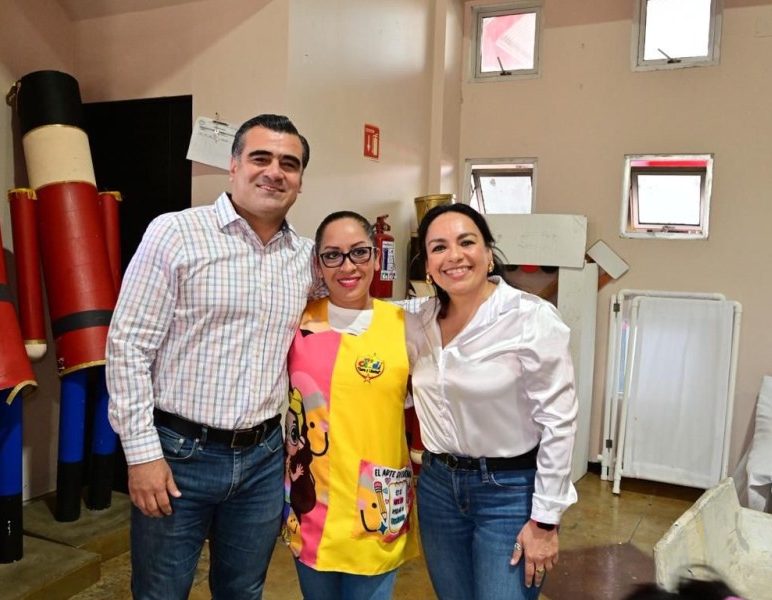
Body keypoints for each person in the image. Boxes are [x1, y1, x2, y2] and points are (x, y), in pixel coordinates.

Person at [106, 114, 317, 600]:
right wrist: (141, 455)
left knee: (243, 590)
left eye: (289, 164)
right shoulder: (176, 233)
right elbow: (128, 347)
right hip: (179, 455)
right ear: (234, 165)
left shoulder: (306, 259)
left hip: (264, 461)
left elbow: (357, 304)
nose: (274, 172)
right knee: (161, 592)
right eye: (260, 158)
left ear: (301, 180)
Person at [406, 203, 578, 600]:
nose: (454, 255)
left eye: (466, 242)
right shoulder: (418, 322)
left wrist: (545, 522)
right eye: (438, 247)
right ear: (427, 266)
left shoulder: (530, 317)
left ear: (488, 253)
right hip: (437, 487)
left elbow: (559, 423)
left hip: (509, 491)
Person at [282, 212, 417, 600]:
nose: (348, 266)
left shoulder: (407, 325)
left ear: (375, 256)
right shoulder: (296, 323)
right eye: (333, 255)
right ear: (318, 264)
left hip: (375, 505)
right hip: (312, 504)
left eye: (359, 252)